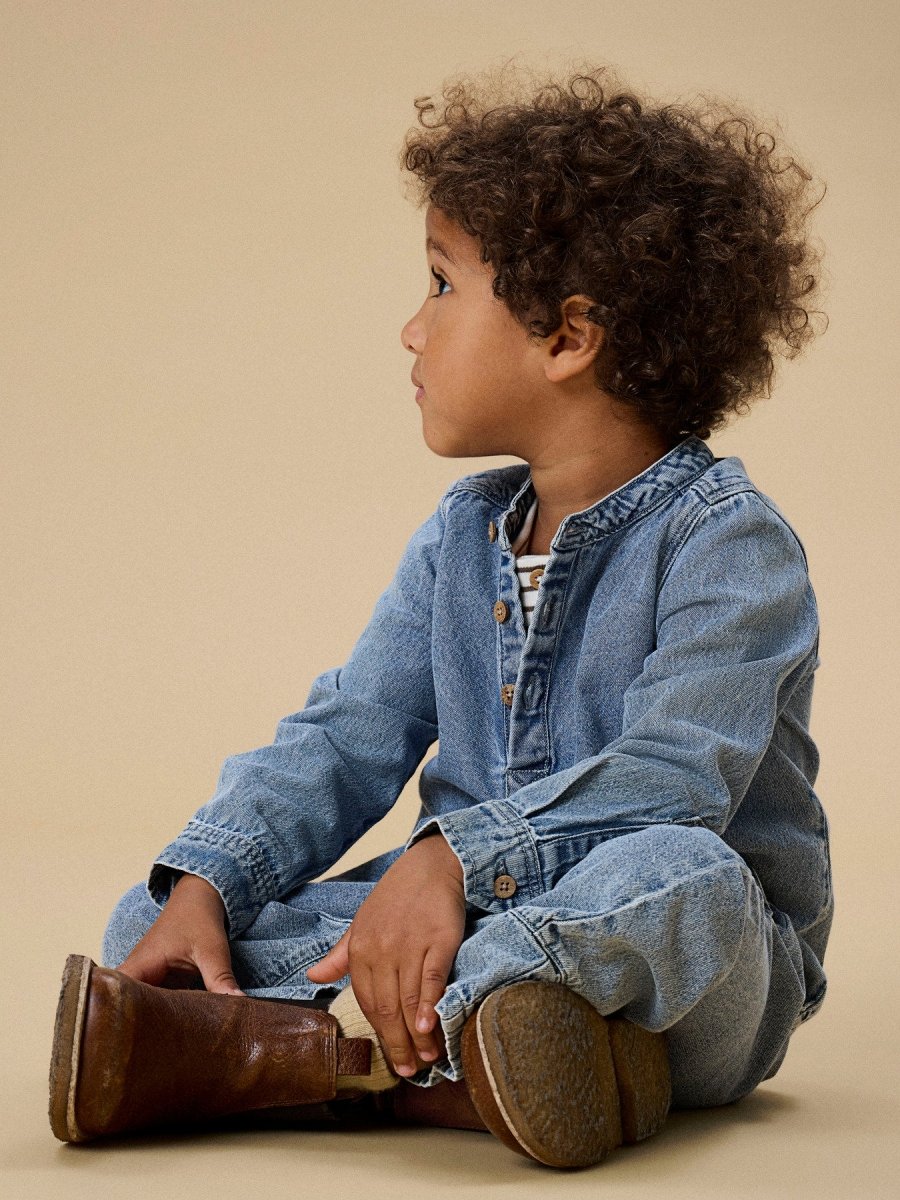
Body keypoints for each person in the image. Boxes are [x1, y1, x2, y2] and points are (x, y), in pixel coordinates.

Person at [48, 62, 833, 1170]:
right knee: (157, 924)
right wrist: (212, 880)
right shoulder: (462, 536)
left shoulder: (729, 542)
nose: (411, 331)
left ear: (568, 338)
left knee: (680, 875)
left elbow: (676, 779)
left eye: (441, 285)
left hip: (685, 971)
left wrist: (454, 861)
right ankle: (488, 1065)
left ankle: (306, 1059)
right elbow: (348, 734)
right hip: (468, 930)